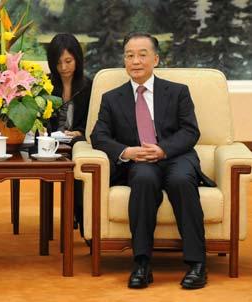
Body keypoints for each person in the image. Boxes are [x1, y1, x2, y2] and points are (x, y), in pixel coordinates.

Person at [90, 32, 215, 289]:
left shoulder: (178, 92)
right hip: (139, 162)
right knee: (144, 181)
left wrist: (162, 150)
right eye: (129, 55)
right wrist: (128, 152)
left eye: (142, 55)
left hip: (175, 156)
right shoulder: (112, 98)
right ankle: (142, 263)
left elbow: (190, 131)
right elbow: (98, 136)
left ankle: (197, 264)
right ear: (124, 61)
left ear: (156, 59)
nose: (135, 61)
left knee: (181, 181)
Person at [46, 33, 92, 237]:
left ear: (77, 59)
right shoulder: (46, 85)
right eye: (58, 63)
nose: (64, 68)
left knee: (78, 160)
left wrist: (80, 131)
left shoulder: (88, 85)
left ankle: (80, 215)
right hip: (50, 143)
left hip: (77, 142)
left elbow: (94, 118)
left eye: (68, 61)